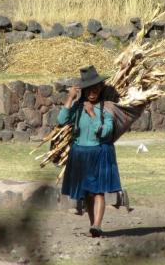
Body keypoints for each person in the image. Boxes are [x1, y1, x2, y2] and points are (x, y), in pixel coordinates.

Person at [57, 65, 121, 238]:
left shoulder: (106, 108)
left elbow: (105, 131)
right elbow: (61, 120)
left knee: (98, 190)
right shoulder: (77, 108)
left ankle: (97, 226)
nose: (92, 92)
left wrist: (92, 113)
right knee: (87, 192)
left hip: (99, 152)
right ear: (83, 90)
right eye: (88, 89)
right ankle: (93, 225)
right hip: (79, 153)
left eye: (95, 88)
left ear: (100, 88)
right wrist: (70, 98)